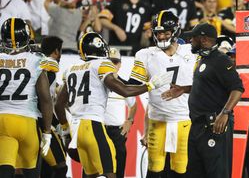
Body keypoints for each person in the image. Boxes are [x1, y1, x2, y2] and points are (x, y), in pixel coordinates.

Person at [54, 32, 172, 177]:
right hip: (93, 126)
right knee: (109, 173)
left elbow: (59, 105)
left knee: (91, 174)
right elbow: (124, 90)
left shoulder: (71, 69)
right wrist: (150, 85)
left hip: (76, 129)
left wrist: (65, 128)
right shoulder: (101, 64)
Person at [161, 22, 244, 178]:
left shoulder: (221, 60)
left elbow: (237, 88)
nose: (191, 41)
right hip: (198, 125)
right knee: (194, 172)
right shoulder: (203, 60)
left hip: (213, 125)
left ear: (204, 39)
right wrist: (184, 89)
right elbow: (207, 86)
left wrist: (225, 113)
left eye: (193, 38)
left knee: (216, 173)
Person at [128, 10, 197, 178]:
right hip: (156, 120)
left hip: (184, 120)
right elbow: (132, 87)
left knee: (181, 170)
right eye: (159, 33)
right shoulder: (145, 54)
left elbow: (205, 84)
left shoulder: (191, 52)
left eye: (166, 32)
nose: (162, 37)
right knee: (154, 170)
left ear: (175, 31)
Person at [0, 18, 53, 178]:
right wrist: (47, 132)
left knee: (5, 170)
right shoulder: (35, 59)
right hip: (27, 122)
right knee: (31, 172)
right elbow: (45, 99)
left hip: (3, 121)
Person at [104, 48, 137, 178]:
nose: (112, 65)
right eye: (109, 61)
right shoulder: (96, 82)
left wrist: (129, 121)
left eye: (115, 62)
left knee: (118, 170)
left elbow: (133, 105)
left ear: (120, 64)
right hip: (98, 129)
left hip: (117, 132)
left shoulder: (124, 84)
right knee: (93, 169)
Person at [40, 36, 69, 178]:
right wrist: (55, 123)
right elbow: (43, 100)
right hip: (42, 123)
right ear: (56, 51)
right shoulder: (50, 68)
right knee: (60, 167)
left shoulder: (36, 63)